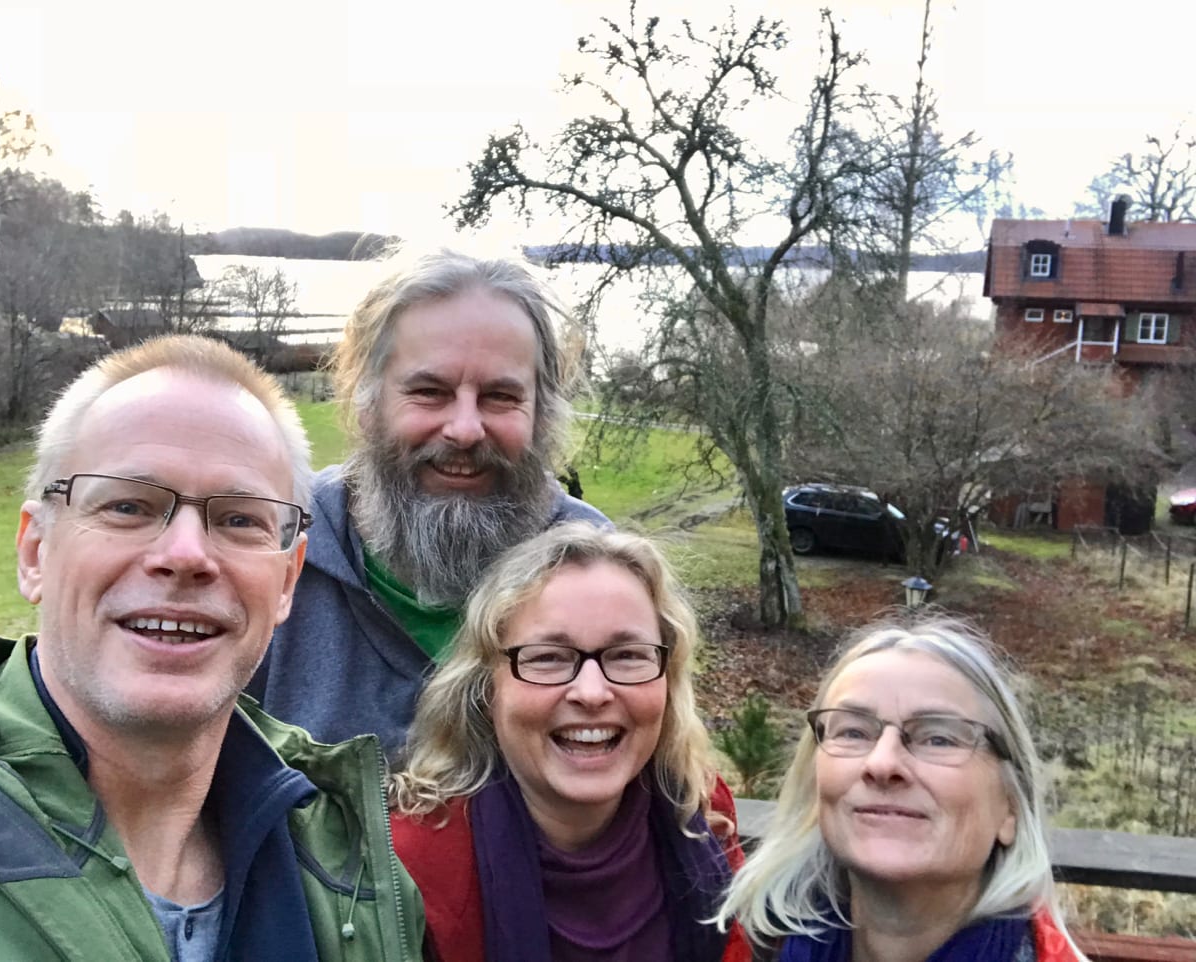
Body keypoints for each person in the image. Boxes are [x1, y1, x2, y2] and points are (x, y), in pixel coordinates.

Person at [0, 335, 423, 962]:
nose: (186, 555)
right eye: (128, 505)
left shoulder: (358, 876)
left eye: (239, 519)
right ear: (35, 552)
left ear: (287, 580)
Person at [248, 248, 608, 753]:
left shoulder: (598, 568)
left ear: (542, 415)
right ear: (368, 403)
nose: (465, 429)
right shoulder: (272, 551)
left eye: (501, 397)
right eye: (429, 391)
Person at [388, 522, 751, 962]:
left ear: (668, 681)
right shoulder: (408, 873)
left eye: (628, 655)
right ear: (487, 691)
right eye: (549, 658)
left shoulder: (701, 814)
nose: (592, 693)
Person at [716, 617, 1087, 962]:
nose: (882, 763)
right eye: (853, 732)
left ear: (1011, 807)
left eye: (938, 738)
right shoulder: (744, 948)